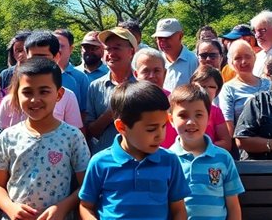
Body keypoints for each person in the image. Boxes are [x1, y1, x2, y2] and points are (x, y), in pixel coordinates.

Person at [0, 58, 90, 220]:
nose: (35, 99)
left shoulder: (72, 136)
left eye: (44, 91)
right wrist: (10, 207)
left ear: (59, 94)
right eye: (27, 92)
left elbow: (86, 185)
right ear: (17, 94)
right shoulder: (8, 136)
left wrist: (62, 208)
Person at [78, 81, 190, 220]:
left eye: (163, 126)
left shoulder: (170, 161)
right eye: (151, 129)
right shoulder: (99, 162)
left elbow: (179, 210)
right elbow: (86, 206)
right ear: (122, 127)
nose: (160, 135)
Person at [167, 84, 244, 220]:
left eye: (199, 115)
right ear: (171, 120)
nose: (191, 122)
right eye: (183, 115)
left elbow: (233, 205)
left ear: (208, 118)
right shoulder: (168, 159)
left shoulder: (223, 158)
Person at [0, 31, 83, 130]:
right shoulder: (9, 100)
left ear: (57, 57)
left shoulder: (67, 97)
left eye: (43, 57)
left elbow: (75, 136)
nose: (38, 63)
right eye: (33, 57)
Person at [84, 27, 137, 154]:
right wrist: (111, 112)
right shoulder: (95, 87)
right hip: (105, 162)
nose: (111, 53)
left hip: (137, 160)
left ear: (132, 52)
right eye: (108, 49)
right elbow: (90, 132)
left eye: (117, 48)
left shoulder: (142, 86)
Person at [219, 40, 271, 140]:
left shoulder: (268, 84)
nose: (244, 61)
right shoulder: (228, 89)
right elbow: (228, 126)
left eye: (247, 56)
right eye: (238, 58)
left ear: (254, 57)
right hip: (244, 145)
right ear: (231, 63)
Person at [189, 66, 231, 151]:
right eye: (202, 86)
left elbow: (226, 143)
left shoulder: (216, 111)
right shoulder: (182, 107)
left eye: (212, 87)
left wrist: (203, 146)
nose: (206, 90)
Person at [54, 29, 91, 119]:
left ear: (71, 49)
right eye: (54, 45)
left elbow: (84, 112)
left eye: (61, 46)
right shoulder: (40, 75)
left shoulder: (80, 78)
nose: (57, 49)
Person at [155, 18, 199, 92]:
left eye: (167, 37)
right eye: (159, 38)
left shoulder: (194, 61)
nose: (162, 41)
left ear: (180, 36)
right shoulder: (156, 60)